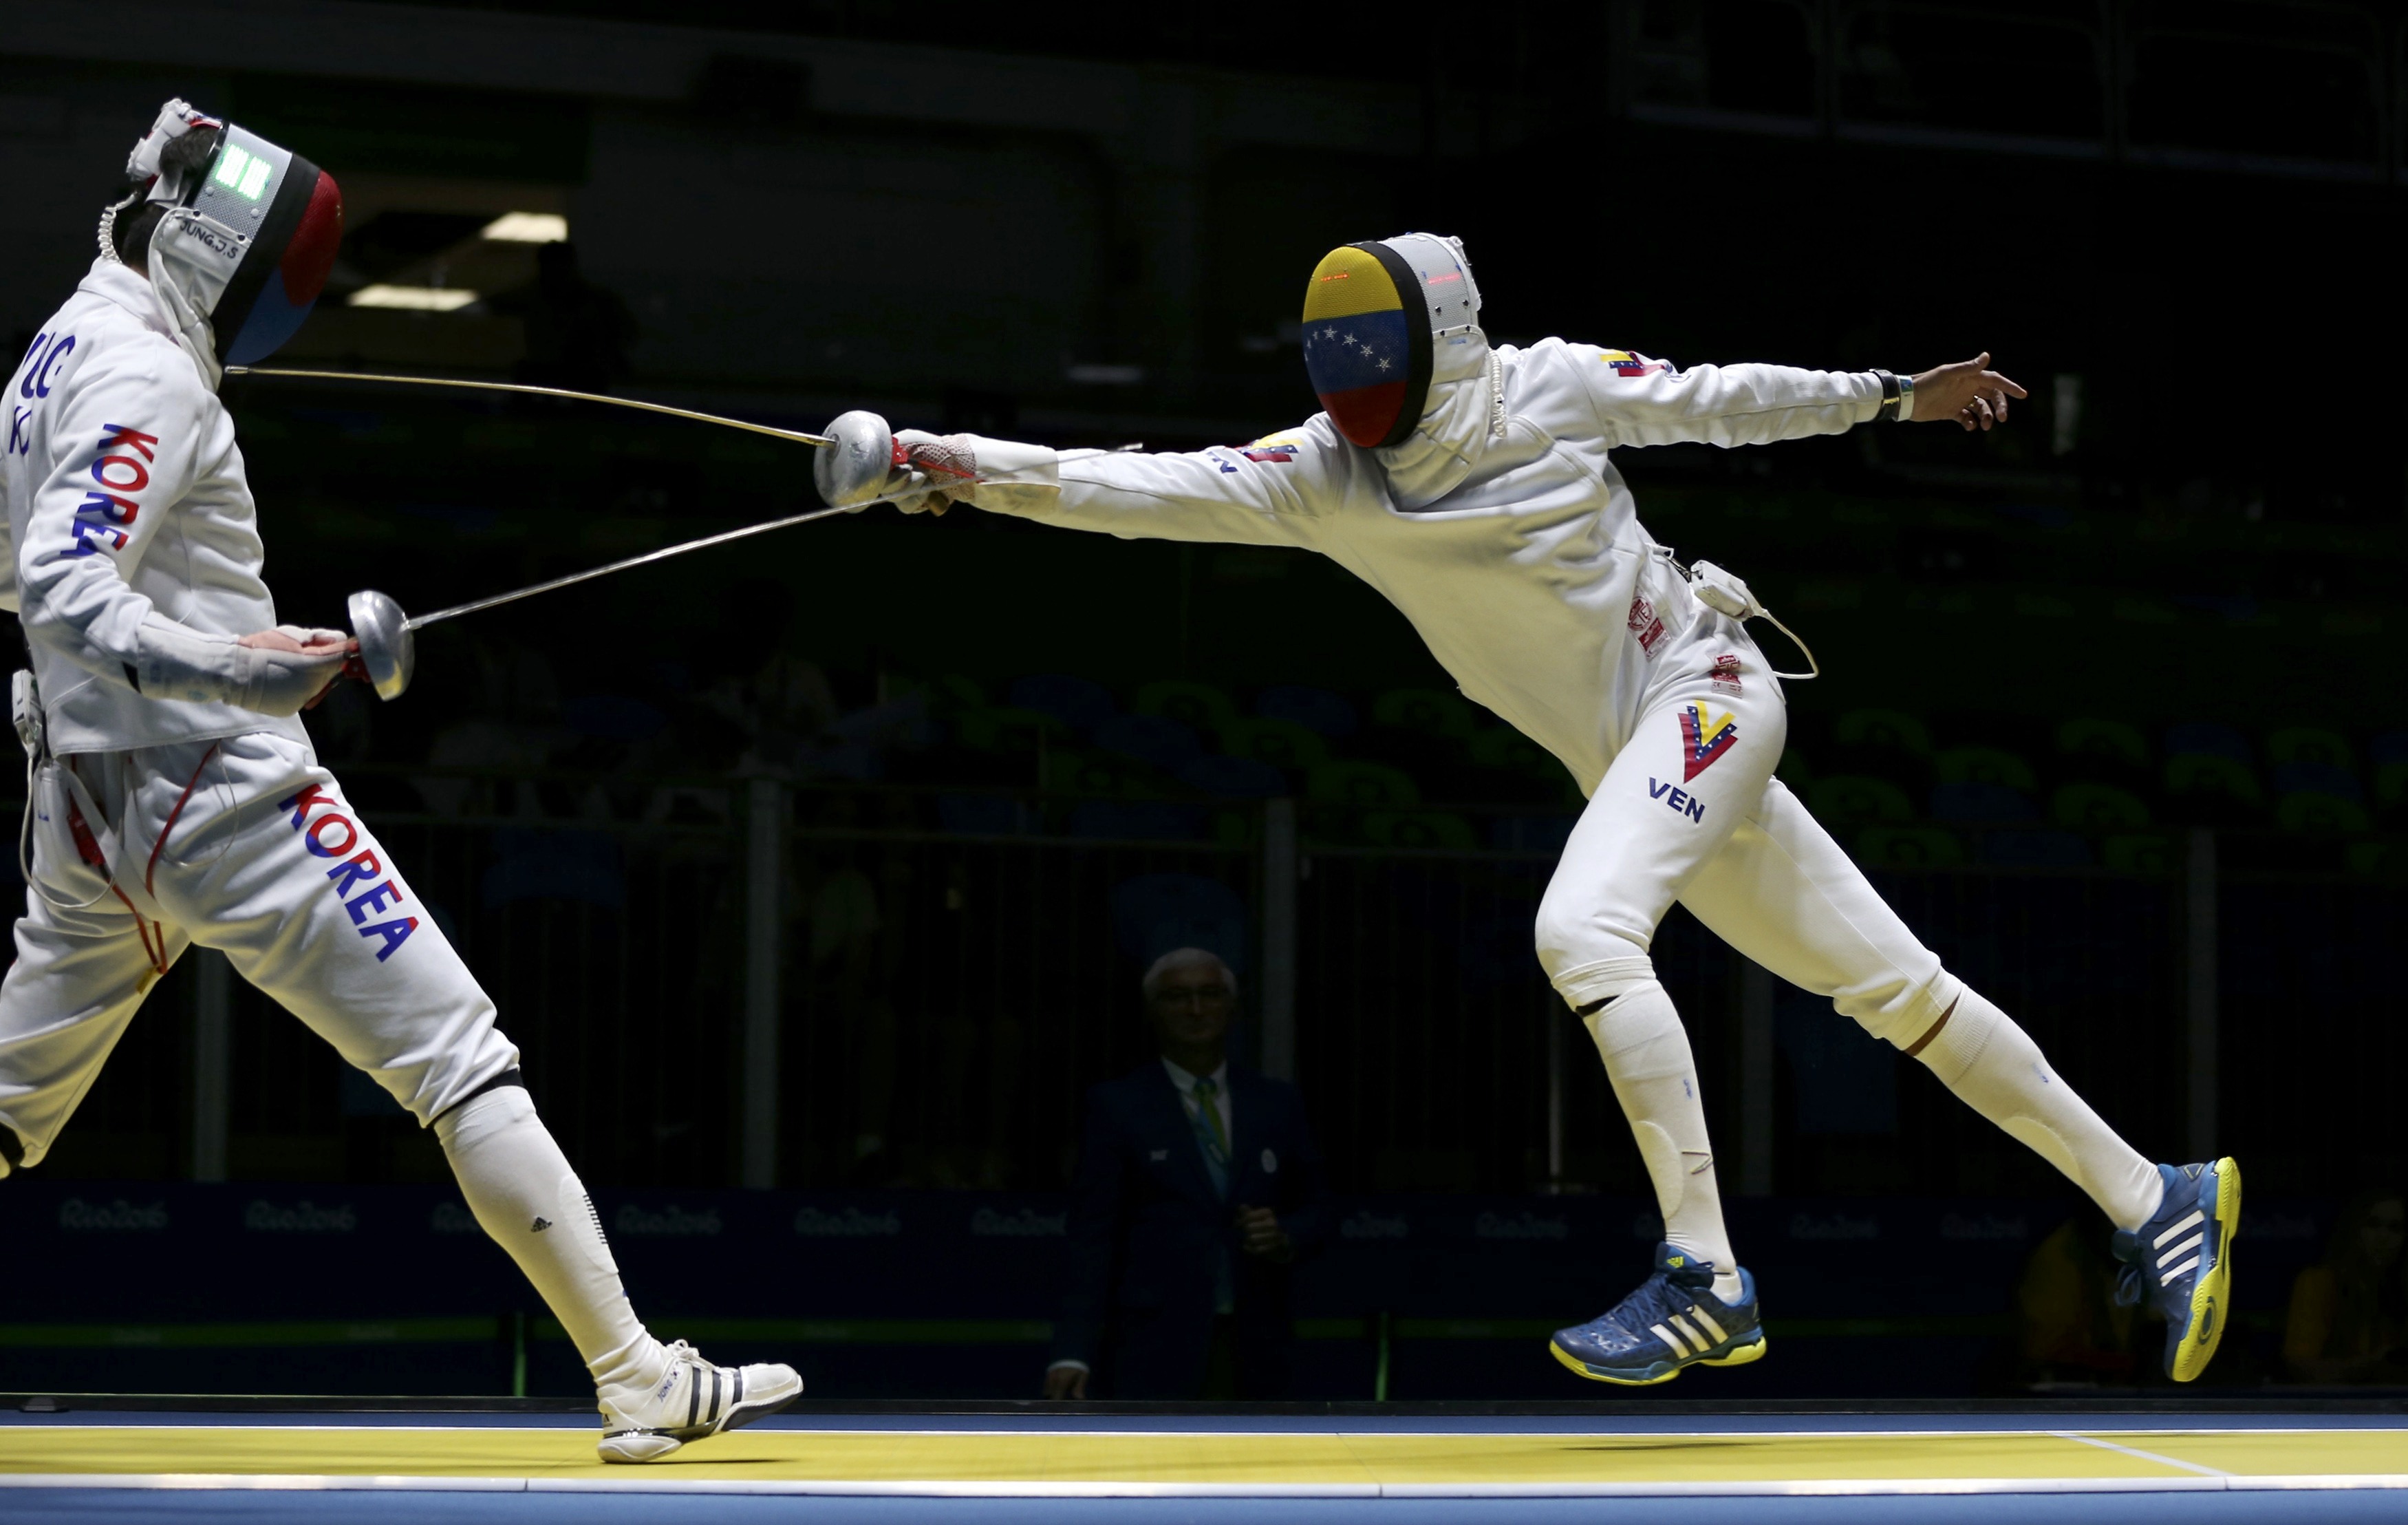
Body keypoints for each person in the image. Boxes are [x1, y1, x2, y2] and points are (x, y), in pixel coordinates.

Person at [848, 233, 2237, 1387]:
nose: (1359, 406)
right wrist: (952, 464)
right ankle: (2150, 1196)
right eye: (1342, 381)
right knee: (1902, 996)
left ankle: (1705, 1272)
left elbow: (1717, 398)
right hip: (1642, 758)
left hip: (1706, 695)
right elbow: (1136, 487)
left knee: (1582, 930)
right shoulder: (1325, 478)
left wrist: (1885, 395)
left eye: (1378, 375)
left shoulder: (1553, 389)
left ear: (1442, 345)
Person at [0, 100, 797, 1461]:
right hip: (226, 797)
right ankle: (634, 1378)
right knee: (461, 1062)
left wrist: (217, 645)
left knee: (10, 1115)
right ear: (206, 251)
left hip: (88, 810)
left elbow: (41, 582)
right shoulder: (147, 379)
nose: (278, 309)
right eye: (272, 279)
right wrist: (243, 676)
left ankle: (633, 1372)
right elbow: (64, 587)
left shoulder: (58, 347)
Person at [1043, 949, 1327, 1399]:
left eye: (1210, 994)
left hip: (1258, 1341)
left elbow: (1319, 1209)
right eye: (1178, 997)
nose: (1196, 1009)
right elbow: (1092, 1235)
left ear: (1232, 1006)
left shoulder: (1276, 1102)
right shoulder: (1118, 1106)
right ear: (1153, 1009)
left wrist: (1285, 1234)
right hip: (1153, 1342)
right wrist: (1073, 1350)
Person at [2283, 1191, 2407, 1385]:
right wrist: (2370, 1365)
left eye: (2395, 1228)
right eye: (2373, 1224)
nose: (2383, 1237)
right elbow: (2300, 1368)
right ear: (2354, 1229)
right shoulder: (2318, 1283)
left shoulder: (2399, 1288)